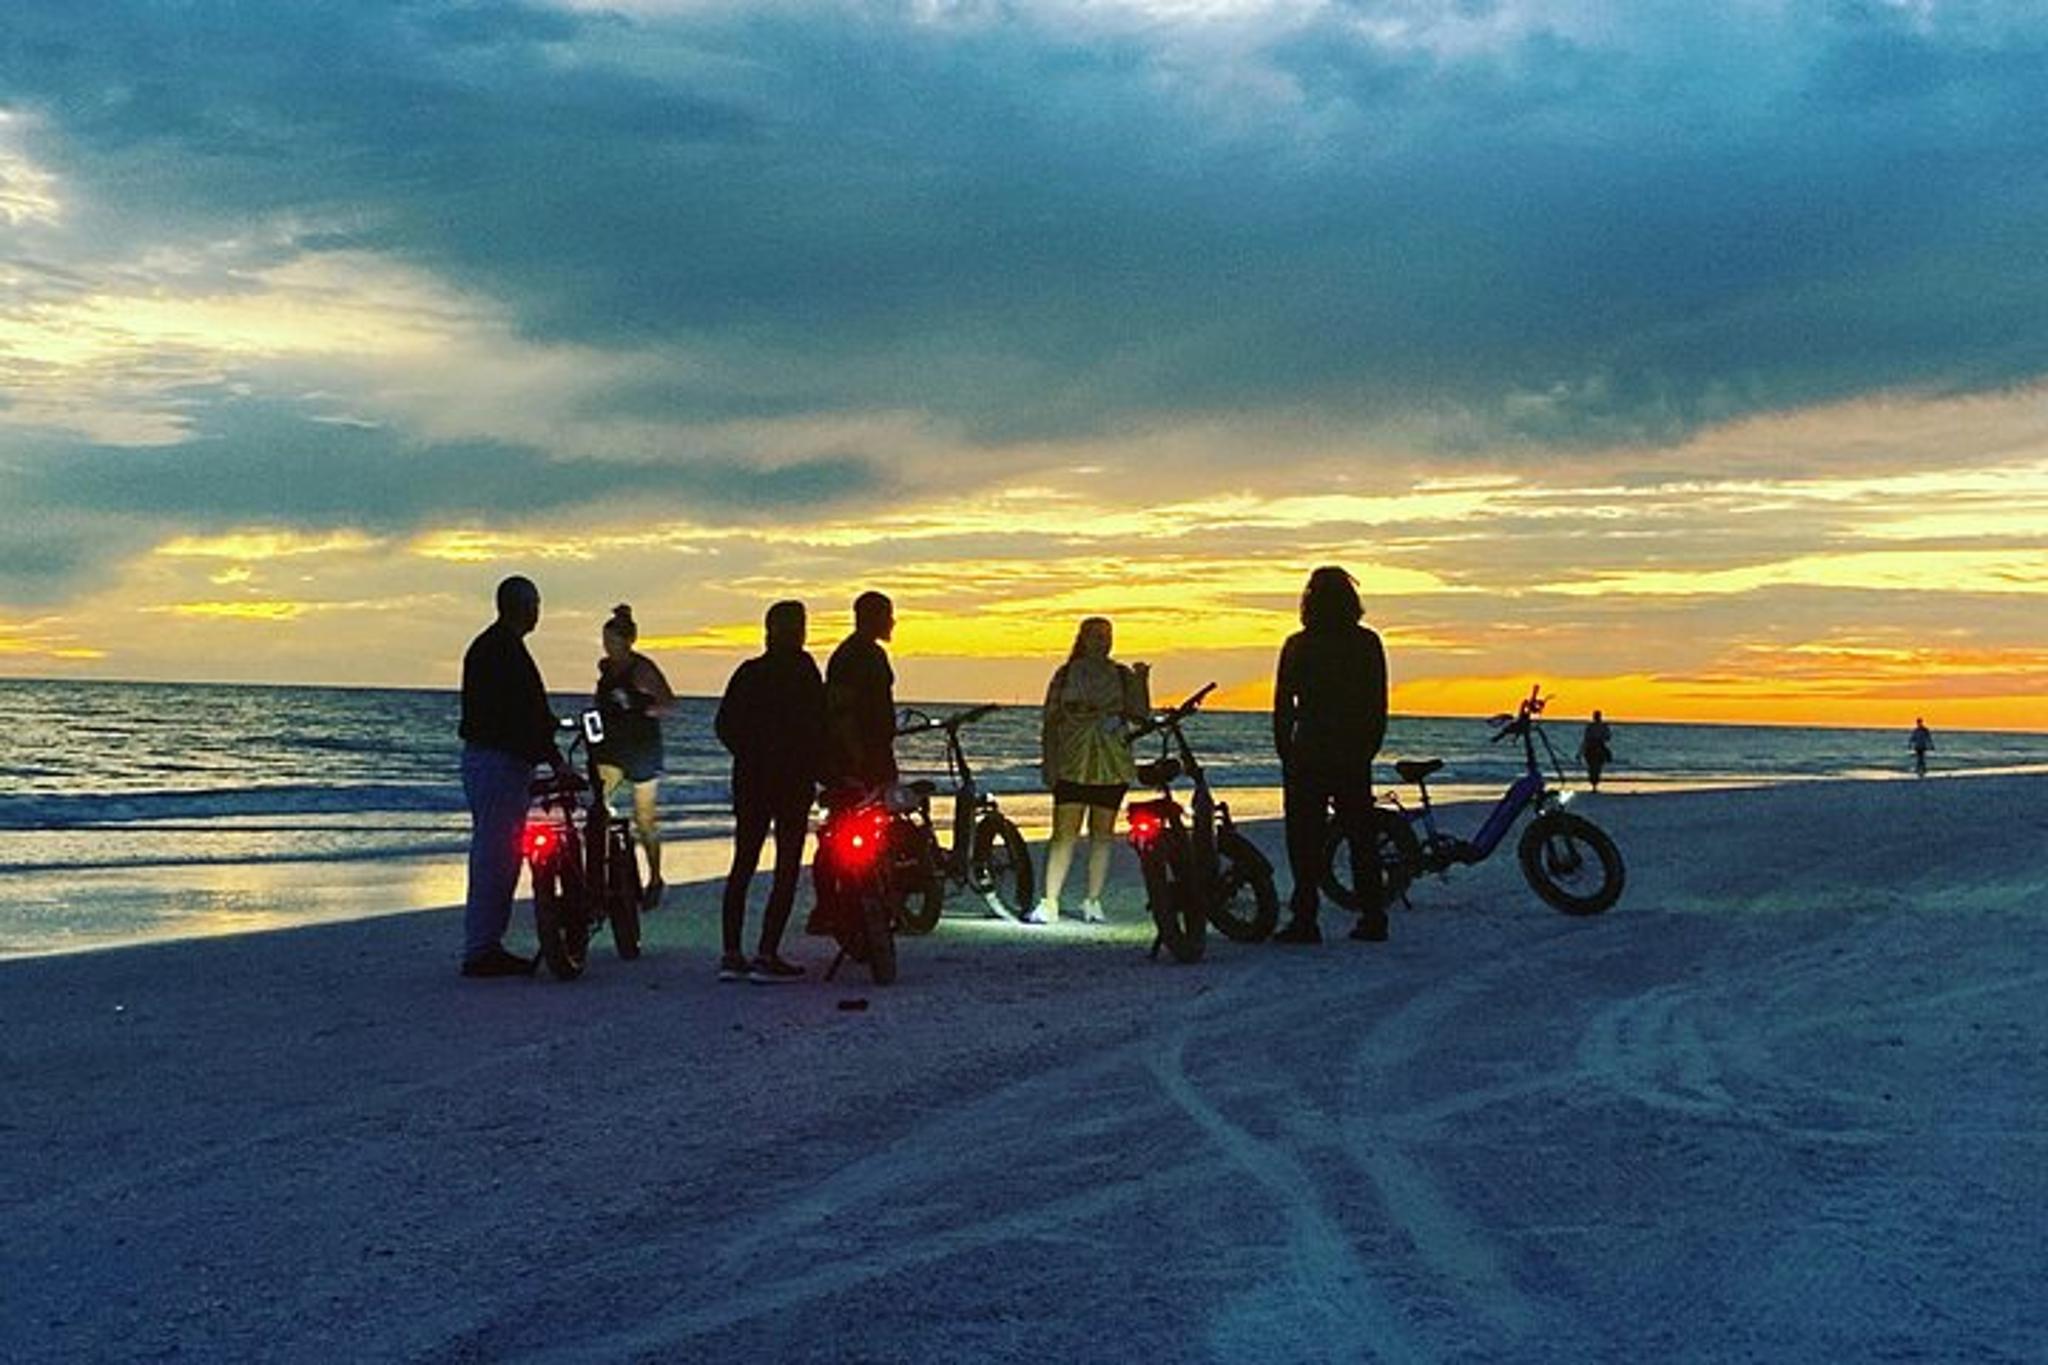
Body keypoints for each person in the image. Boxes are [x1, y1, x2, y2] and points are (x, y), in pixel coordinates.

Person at [1272, 566, 1389, 945]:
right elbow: (1378, 702)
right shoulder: (1367, 643)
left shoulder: (1298, 644)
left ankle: (1305, 918)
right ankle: (1373, 916)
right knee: (1361, 835)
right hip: (1352, 749)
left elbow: (1283, 705)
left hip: (1308, 748)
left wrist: (1285, 751)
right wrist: (1369, 747)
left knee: (1304, 838)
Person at [457, 575, 566, 978]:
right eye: (535, 603)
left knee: (496, 853)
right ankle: (482, 949)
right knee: (496, 857)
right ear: (523, 607)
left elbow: (525, 714)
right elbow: (525, 714)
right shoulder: (504, 651)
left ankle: (486, 944)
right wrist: (554, 757)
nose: (538, 611)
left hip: (494, 761)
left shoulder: (494, 647)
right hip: (498, 762)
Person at [714, 600, 826, 984]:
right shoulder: (803, 670)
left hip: (751, 780)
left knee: (743, 863)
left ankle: (731, 953)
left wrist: (748, 753)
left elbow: (724, 724)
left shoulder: (749, 672)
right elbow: (818, 726)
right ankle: (765, 953)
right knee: (785, 867)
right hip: (790, 782)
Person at [1031, 617, 1149, 924]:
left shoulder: (1121, 675)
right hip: (1072, 761)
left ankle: (1093, 900)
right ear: (1083, 639)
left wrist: (1141, 680)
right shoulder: (1067, 673)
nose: (1103, 641)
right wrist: (1049, 762)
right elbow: (1050, 721)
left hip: (1111, 762)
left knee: (1103, 835)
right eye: (1096, 635)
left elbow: (1140, 715)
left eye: (1107, 635)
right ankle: (1050, 901)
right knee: (1063, 834)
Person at [592, 604, 677, 910]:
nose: (608, 647)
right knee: (598, 806)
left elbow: (669, 704)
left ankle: (655, 877)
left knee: (644, 819)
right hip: (612, 747)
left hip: (642, 748)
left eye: (613, 642)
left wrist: (639, 707)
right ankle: (602, 872)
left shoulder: (642, 669)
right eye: (605, 641)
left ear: (628, 641)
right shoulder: (605, 669)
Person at [824, 591, 899, 789]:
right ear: (872, 617)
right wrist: (856, 755)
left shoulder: (875, 653)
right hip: (858, 758)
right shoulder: (851, 655)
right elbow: (840, 710)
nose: (892, 622)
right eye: (887, 616)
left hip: (878, 753)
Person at [1579, 710, 1614, 791]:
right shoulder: (1593, 726)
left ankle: (1594, 784)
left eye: (1596, 716)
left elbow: (1607, 737)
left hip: (1597, 745)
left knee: (1596, 767)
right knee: (1593, 767)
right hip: (1592, 746)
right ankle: (1594, 784)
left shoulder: (1601, 726)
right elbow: (1586, 739)